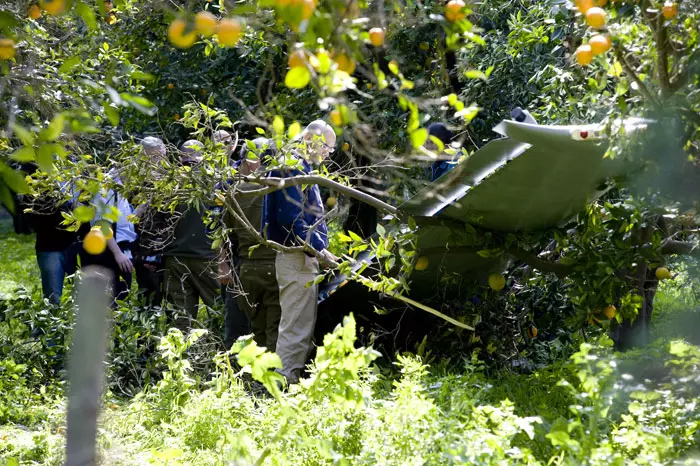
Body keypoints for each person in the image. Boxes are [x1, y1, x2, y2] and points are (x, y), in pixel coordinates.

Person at [262, 120, 339, 384]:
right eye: (328, 147)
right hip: (296, 256)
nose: (329, 153)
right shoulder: (290, 167)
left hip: (302, 257)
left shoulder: (302, 168)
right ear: (311, 139)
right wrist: (320, 250)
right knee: (295, 326)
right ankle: (283, 384)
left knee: (301, 324)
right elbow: (290, 219)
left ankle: (289, 381)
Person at [221, 138, 279, 350]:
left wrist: (224, 265)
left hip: (246, 267)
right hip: (275, 266)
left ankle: (252, 377)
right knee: (275, 327)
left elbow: (223, 232)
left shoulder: (236, 190)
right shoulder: (279, 188)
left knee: (255, 328)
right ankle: (272, 378)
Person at [163, 140, 220, 329]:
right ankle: (222, 356)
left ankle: (179, 358)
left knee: (180, 321)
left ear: (180, 157)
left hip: (175, 259)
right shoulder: (215, 180)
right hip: (208, 258)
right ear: (202, 157)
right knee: (219, 312)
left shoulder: (168, 182)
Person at [81, 168, 137, 302]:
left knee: (122, 298)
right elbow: (102, 224)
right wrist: (118, 253)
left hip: (122, 252)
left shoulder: (120, 188)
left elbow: (122, 222)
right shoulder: (107, 189)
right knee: (111, 301)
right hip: (110, 254)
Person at [30, 183, 82, 304]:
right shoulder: (43, 184)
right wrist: (71, 207)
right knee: (53, 296)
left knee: (81, 293)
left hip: (76, 246)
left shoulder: (81, 180)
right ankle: (54, 321)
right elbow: (37, 217)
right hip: (50, 247)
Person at [132, 137, 169, 306]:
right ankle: (146, 327)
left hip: (171, 246)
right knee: (148, 294)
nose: (156, 162)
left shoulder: (172, 177)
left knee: (172, 296)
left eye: (159, 157)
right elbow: (131, 217)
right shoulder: (133, 180)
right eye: (152, 158)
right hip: (145, 246)